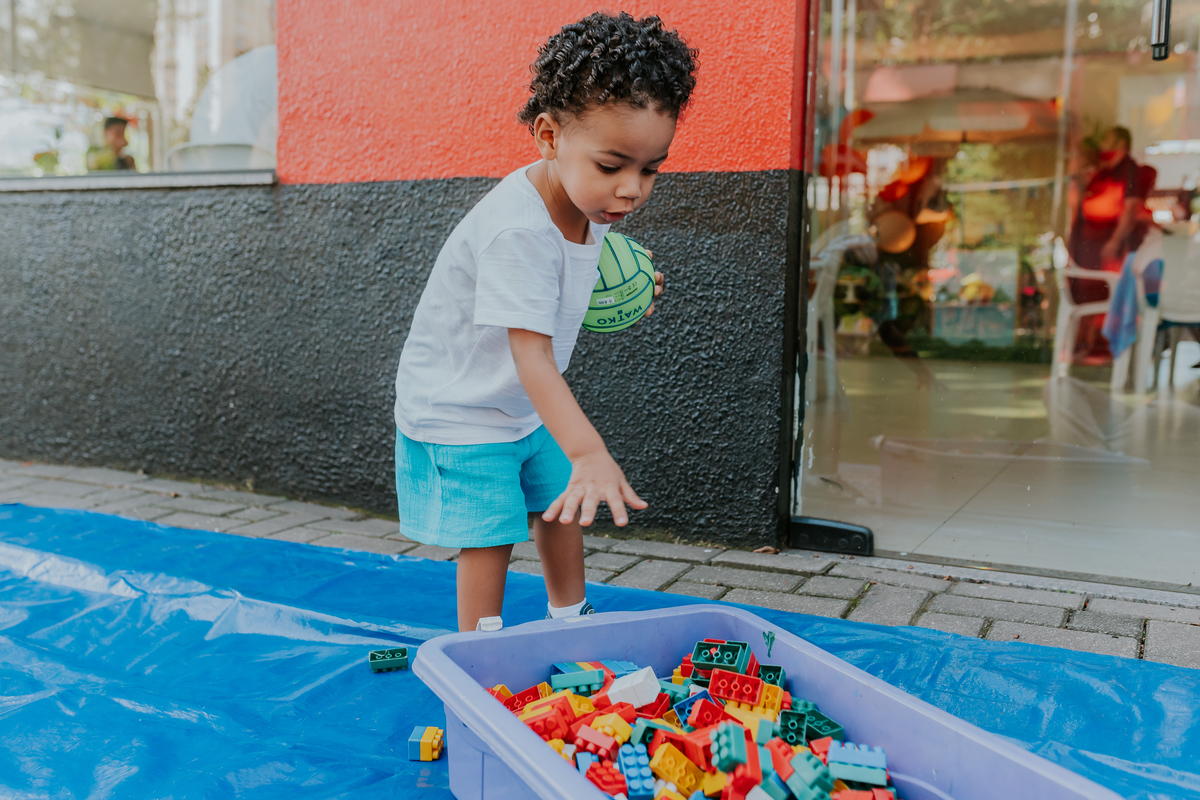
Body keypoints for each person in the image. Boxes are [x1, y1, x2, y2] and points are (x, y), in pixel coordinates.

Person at [392, 12, 694, 632]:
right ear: (548, 135)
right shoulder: (518, 231)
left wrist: (629, 294)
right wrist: (589, 450)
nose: (632, 189)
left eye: (650, 168)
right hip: (461, 408)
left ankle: (570, 616)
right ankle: (481, 645)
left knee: (563, 504)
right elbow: (531, 354)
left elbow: (557, 303)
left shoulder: (588, 209)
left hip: (521, 400)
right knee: (492, 528)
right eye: (612, 166)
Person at [1067, 125, 1151, 360]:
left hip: (1108, 244)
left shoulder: (1129, 170)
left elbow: (1130, 208)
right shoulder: (1103, 171)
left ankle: (1101, 345)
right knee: (1088, 292)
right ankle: (1084, 343)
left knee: (1106, 293)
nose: (1104, 148)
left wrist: (1116, 240)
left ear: (1121, 145)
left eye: (1109, 143)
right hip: (1089, 243)